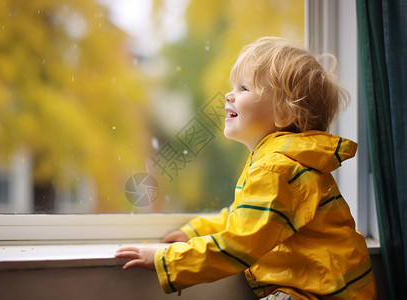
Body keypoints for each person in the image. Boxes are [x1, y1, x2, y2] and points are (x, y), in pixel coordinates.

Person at [115, 37, 377, 299]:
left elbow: (240, 242)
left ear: (284, 114)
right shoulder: (282, 161)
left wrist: (171, 261)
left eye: (244, 88)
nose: (229, 95)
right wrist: (193, 232)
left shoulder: (276, 168)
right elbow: (242, 219)